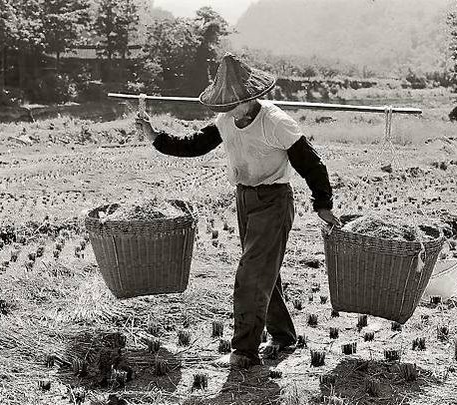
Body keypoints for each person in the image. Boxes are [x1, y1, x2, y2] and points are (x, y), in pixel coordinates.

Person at [135, 53, 341, 368]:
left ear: (248, 99)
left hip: (274, 202)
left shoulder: (276, 122)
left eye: (229, 103)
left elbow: (312, 165)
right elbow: (195, 145)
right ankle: (284, 336)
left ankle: (244, 350)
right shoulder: (226, 120)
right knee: (263, 273)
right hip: (244, 200)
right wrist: (155, 137)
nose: (224, 109)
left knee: (251, 274)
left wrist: (323, 205)